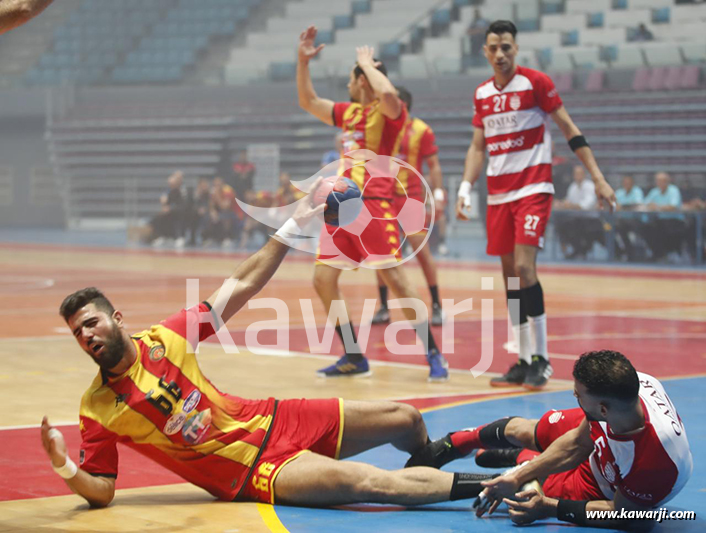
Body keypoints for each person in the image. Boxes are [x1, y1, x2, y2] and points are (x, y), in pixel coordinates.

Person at [39, 186, 495, 510]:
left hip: (274, 417)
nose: (87, 337)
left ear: (116, 319)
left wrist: (295, 222)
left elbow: (242, 283)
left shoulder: (167, 338)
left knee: (407, 418)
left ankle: (430, 461)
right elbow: (102, 489)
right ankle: (497, 483)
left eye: (91, 324)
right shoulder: (98, 408)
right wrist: (64, 466)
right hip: (251, 469)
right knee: (373, 483)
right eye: (79, 334)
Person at [455, 20, 616, 390]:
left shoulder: (536, 84)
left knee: (526, 267)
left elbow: (569, 129)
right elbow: (478, 147)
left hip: (533, 189)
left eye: (507, 47)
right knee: (510, 277)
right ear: (485, 52)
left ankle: (541, 360)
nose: (500, 54)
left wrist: (597, 177)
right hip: (498, 194)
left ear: (516, 48)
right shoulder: (481, 94)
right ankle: (523, 359)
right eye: (494, 48)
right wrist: (465, 187)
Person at [297, 26, 449, 380]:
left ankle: (433, 354)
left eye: (353, 82)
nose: (348, 89)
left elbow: (391, 94)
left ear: (362, 81)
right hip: (339, 207)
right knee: (322, 280)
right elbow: (308, 101)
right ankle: (354, 356)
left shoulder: (389, 114)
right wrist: (302, 63)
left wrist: (366, 64)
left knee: (396, 279)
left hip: (373, 206)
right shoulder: (347, 113)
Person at [407, 350, 693, 530]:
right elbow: (579, 443)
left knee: (541, 491)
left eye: (579, 395)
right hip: (609, 438)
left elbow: (627, 518)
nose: (574, 397)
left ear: (603, 409)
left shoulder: (653, 464)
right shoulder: (629, 387)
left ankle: (517, 457)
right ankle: (456, 443)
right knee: (533, 430)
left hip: (611, 485)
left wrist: (550, 508)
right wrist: (520, 476)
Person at [371, 86, 446, 327]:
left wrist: (438, 193)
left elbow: (433, 164)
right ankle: (383, 307)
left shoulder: (422, 130)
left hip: (411, 198)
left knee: (421, 251)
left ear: (401, 104)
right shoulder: (380, 129)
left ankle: (436, 304)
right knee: (383, 255)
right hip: (384, 198)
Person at [554, 165, 604, 259]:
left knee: (574, 226)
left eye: (579, 173)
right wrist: (561, 204)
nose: (577, 176)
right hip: (577, 219)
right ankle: (578, 250)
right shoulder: (573, 186)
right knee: (562, 225)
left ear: (584, 174)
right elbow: (568, 201)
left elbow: (586, 205)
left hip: (591, 220)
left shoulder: (590, 186)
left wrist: (570, 205)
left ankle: (581, 250)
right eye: (575, 174)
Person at [641, 172, 687, 261]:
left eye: (662, 181)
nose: (660, 183)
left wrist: (657, 206)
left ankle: (673, 253)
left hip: (675, 220)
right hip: (659, 220)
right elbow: (645, 204)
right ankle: (658, 253)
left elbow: (672, 206)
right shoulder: (654, 191)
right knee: (645, 228)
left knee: (664, 227)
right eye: (658, 181)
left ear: (667, 181)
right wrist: (650, 206)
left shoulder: (674, 190)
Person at [149, 171, 186, 248]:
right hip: (171, 211)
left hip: (182, 211)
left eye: (178, 178)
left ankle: (179, 237)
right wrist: (164, 204)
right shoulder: (170, 191)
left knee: (177, 216)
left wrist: (171, 208)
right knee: (158, 217)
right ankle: (163, 236)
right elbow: (166, 202)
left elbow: (182, 204)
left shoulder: (183, 190)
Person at [614, 175, 644, 261]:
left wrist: (623, 206)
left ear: (632, 183)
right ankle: (620, 252)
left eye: (629, 183)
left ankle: (634, 253)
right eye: (625, 182)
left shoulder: (637, 191)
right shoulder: (619, 192)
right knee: (611, 228)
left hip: (635, 220)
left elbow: (638, 204)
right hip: (621, 221)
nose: (627, 184)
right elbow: (613, 204)